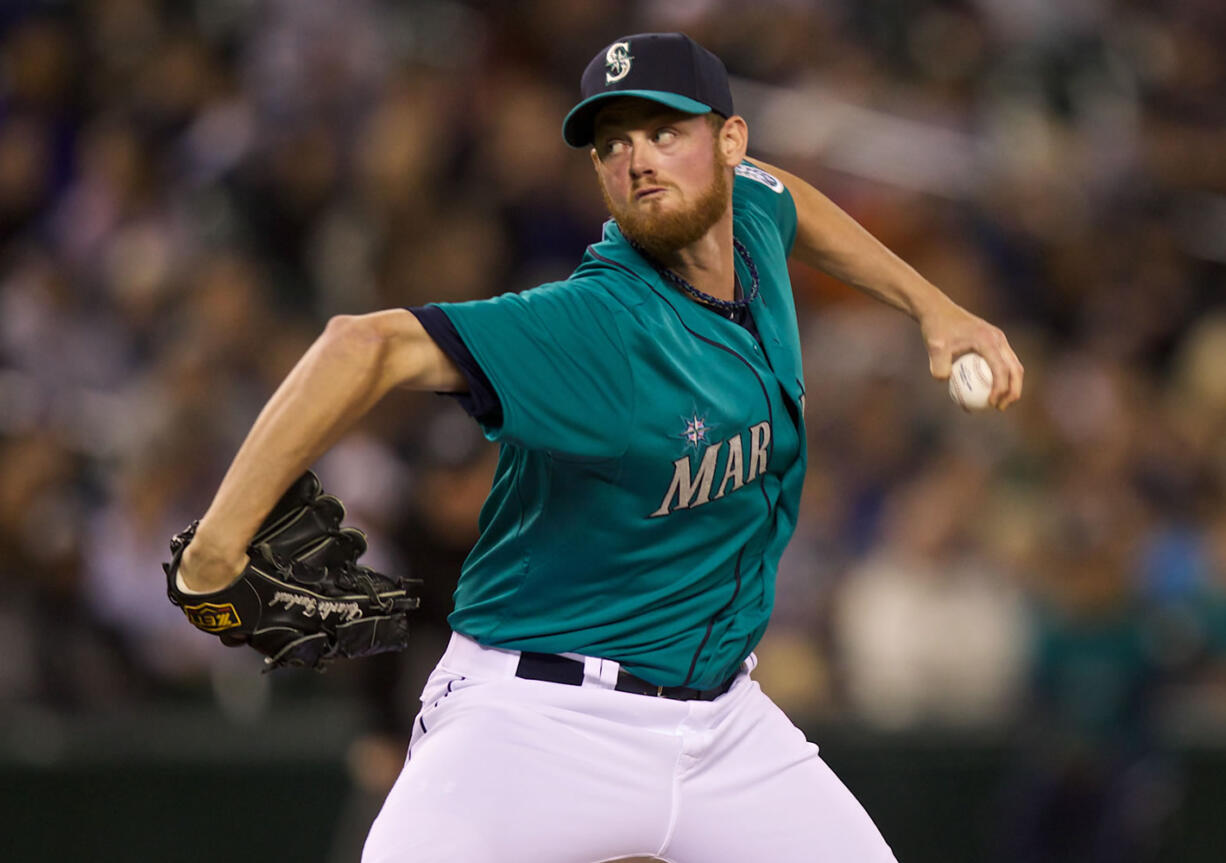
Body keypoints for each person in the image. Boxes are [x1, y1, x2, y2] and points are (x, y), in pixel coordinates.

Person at [175, 32, 1023, 863]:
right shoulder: (596, 325)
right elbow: (363, 345)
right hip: (539, 719)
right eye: (613, 144)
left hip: (726, 726)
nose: (639, 160)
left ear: (730, 143)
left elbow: (788, 198)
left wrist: (929, 305)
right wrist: (217, 544)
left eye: (665, 133)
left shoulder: (748, 216)